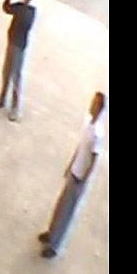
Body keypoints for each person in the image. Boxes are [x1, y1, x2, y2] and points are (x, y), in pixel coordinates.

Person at [38, 91, 107, 258]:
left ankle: (55, 246)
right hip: (74, 171)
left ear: (100, 109)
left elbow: (94, 160)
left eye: (95, 104)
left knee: (67, 213)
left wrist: (84, 179)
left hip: (80, 178)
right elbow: (80, 147)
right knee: (60, 206)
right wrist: (71, 165)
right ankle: (51, 232)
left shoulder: (98, 133)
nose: (91, 105)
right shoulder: (88, 123)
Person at [0, 0, 37, 121]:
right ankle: (2, 98)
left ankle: (15, 108)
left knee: (16, 76)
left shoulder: (30, 11)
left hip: (19, 46)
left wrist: (18, 0)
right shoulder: (20, 7)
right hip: (11, 43)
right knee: (6, 72)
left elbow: (24, 22)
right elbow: (6, 8)